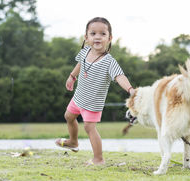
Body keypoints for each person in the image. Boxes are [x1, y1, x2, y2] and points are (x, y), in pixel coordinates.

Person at [55, 17, 135, 165]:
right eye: (93, 33)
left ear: (109, 38)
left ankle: (98, 159)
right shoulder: (85, 51)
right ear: (86, 38)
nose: (97, 37)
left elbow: (119, 76)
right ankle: (73, 142)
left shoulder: (109, 61)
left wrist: (130, 89)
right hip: (79, 97)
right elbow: (80, 64)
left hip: (92, 102)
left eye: (102, 34)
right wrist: (72, 77)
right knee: (68, 116)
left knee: (89, 127)